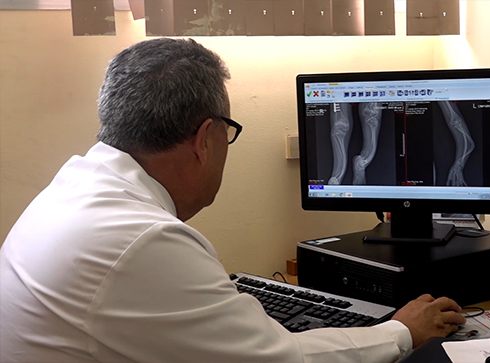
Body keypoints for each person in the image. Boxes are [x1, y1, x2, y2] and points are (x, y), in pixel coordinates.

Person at [0, 38, 466, 363]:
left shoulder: (74, 188)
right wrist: (403, 330)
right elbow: (282, 360)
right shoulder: (145, 241)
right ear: (206, 137)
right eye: (230, 133)